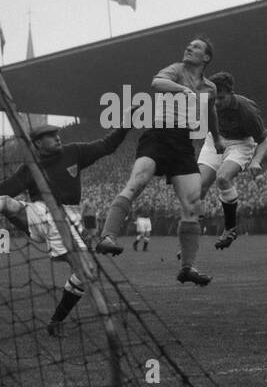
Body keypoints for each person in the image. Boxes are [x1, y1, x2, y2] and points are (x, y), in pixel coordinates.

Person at [0, 124, 128, 335]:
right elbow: (1, 189)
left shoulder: (74, 152)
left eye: (57, 134)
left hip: (68, 218)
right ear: (38, 143)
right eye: (51, 136)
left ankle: (56, 322)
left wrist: (127, 123)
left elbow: (107, 146)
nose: (58, 138)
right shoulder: (31, 167)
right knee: (5, 202)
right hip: (41, 213)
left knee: (85, 272)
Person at [94, 35, 222, 286]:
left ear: (206, 57)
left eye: (195, 46)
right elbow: (157, 82)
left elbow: (211, 111)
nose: (189, 47)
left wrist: (217, 138)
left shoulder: (210, 88)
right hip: (158, 134)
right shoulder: (176, 70)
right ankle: (107, 237)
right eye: (189, 44)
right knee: (138, 181)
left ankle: (187, 267)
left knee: (193, 204)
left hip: (183, 143)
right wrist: (182, 89)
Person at [196, 71, 267, 250]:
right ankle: (192, 234)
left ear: (231, 93)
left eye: (222, 98)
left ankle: (230, 228)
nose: (217, 102)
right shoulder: (208, 102)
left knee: (222, 178)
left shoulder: (246, 110)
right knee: (197, 186)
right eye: (215, 98)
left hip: (240, 143)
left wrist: (256, 161)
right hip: (215, 139)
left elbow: (264, 140)